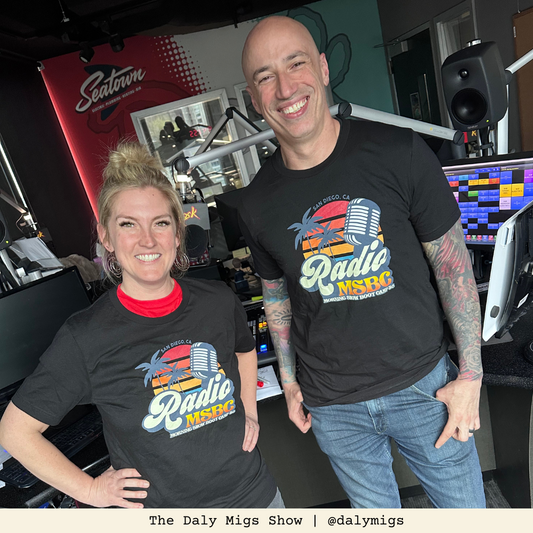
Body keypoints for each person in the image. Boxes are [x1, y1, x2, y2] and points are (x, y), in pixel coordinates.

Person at [238, 16, 485, 508]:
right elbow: (276, 295)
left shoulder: (401, 152)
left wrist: (471, 376)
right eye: (266, 76)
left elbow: (453, 267)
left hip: (426, 389)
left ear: (323, 68)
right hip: (334, 408)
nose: (285, 88)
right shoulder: (255, 203)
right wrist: (288, 381)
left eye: (296, 64)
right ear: (253, 98)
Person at [0, 141, 282, 509]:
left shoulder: (217, 300)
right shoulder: (85, 337)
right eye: (128, 225)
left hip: (256, 497)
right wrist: (89, 490)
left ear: (177, 234)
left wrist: (249, 411)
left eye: (160, 223)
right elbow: (16, 431)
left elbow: (244, 350)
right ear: (106, 236)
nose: (147, 240)